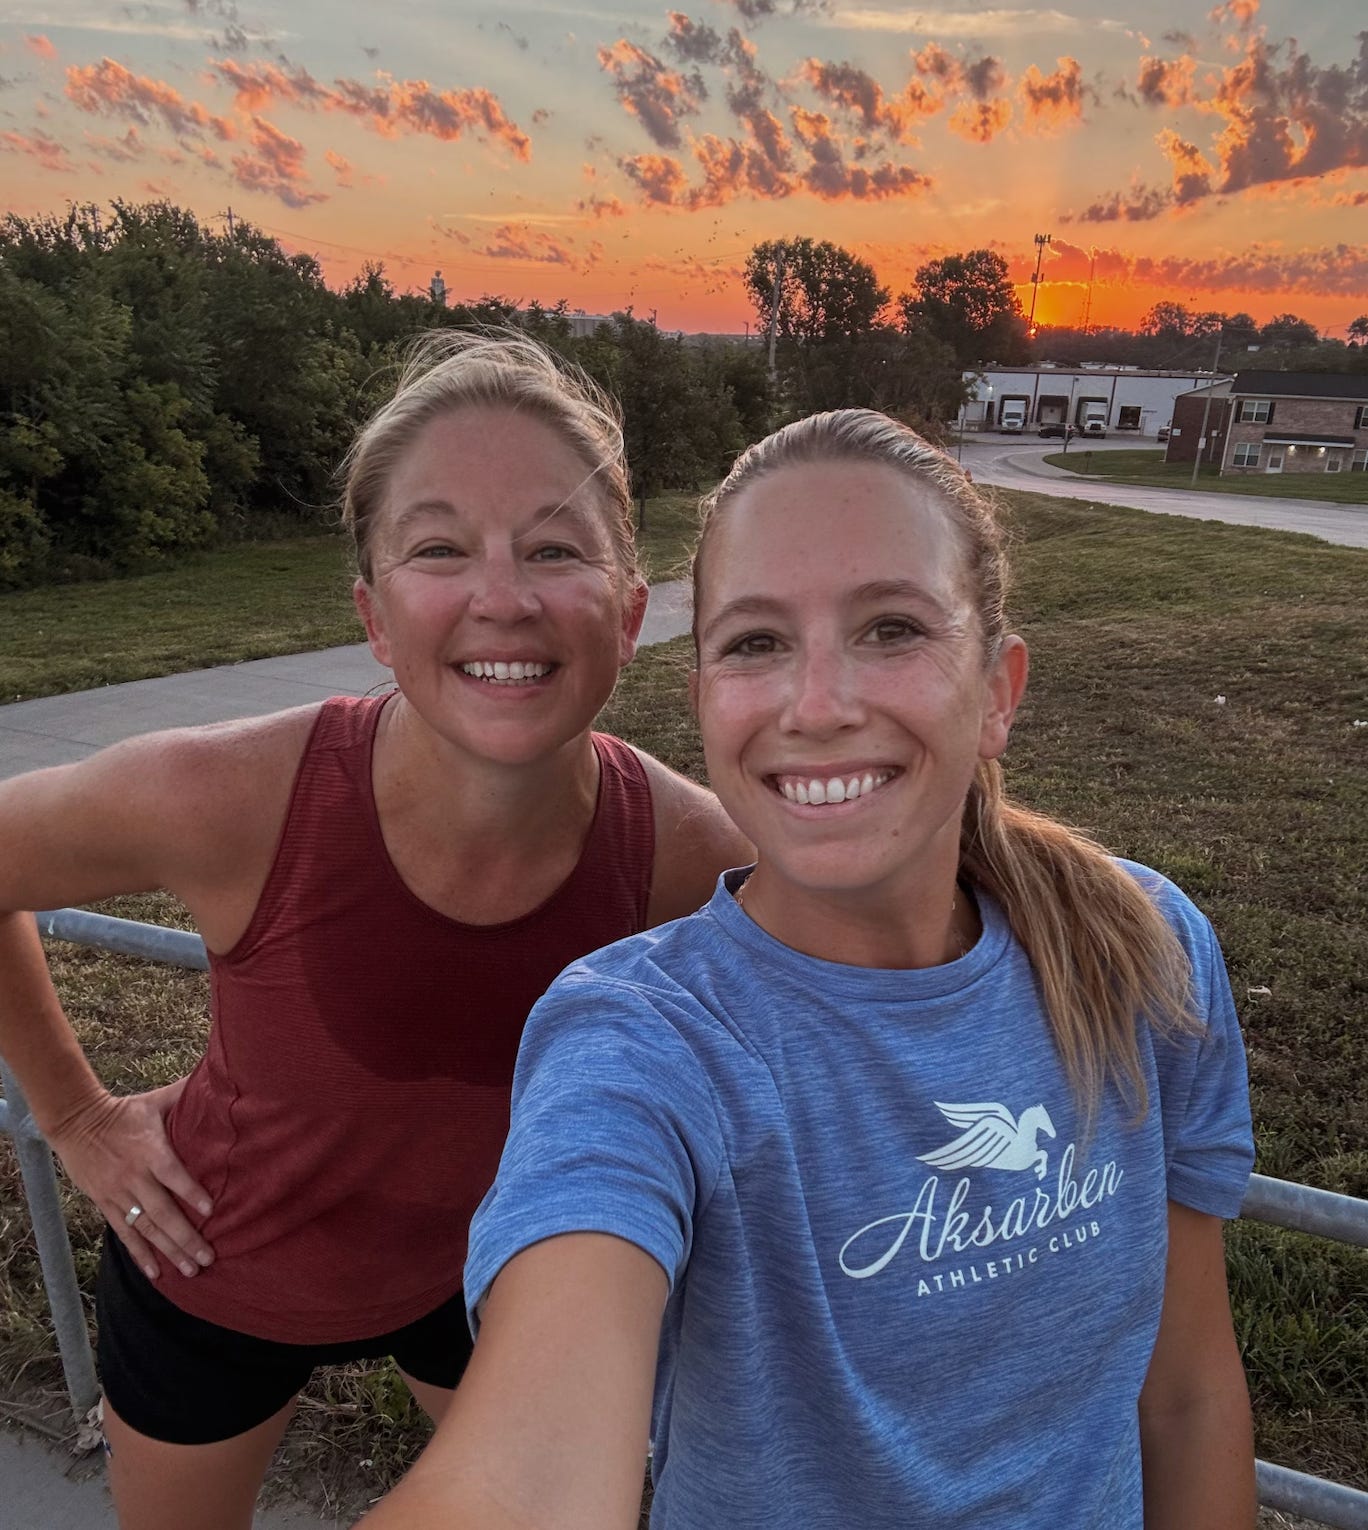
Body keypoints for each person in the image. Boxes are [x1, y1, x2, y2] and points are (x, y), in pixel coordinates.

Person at [362, 408, 1257, 1529]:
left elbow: (1185, 1397)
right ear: (701, 697)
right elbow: (528, 1472)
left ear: (998, 691)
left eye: (892, 628)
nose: (819, 705)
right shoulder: (645, 1042)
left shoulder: (1139, 946)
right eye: (755, 643)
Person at [0, 331, 749, 1530]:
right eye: (440, 548)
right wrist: (77, 1119)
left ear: (628, 612)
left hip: (483, 1273)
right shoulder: (231, 795)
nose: (502, 596)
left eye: (554, 548)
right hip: (214, 1265)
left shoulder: (686, 849)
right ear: (375, 617)